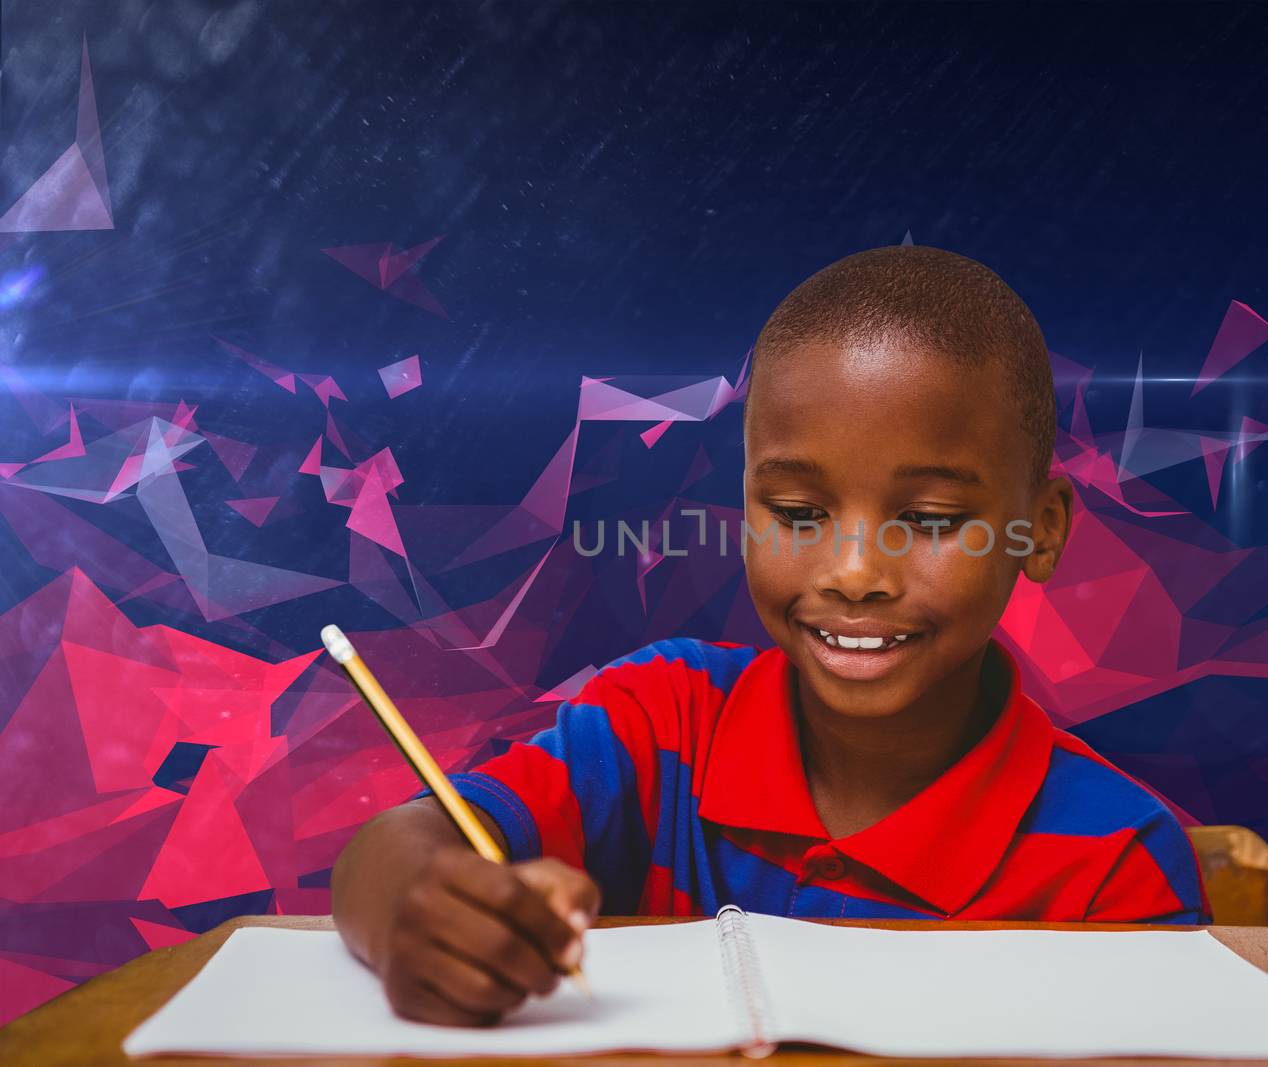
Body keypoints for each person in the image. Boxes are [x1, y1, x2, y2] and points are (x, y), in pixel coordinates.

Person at [331, 245, 1208, 1026]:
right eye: (796, 511)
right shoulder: (659, 723)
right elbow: (396, 847)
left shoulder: (1116, 864)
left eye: (932, 518)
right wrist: (428, 906)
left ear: (1041, 529)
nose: (855, 570)